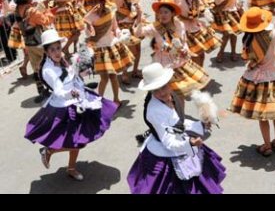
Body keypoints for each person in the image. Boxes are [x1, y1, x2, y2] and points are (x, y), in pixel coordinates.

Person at [25, 29, 117, 181]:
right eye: (52, 49)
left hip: (78, 100)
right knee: (77, 141)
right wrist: (72, 93)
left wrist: (82, 73)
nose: (56, 52)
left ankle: (71, 168)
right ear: (47, 52)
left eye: (58, 48)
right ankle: (49, 151)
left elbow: (72, 77)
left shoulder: (62, 61)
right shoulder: (48, 69)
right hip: (65, 108)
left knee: (79, 140)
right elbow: (60, 91)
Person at [127, 63, 226, 194]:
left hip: (179, 141)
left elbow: (179, 122)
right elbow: (168, 142)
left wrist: (200, 125)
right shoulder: (154, 111)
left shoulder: (172, 95)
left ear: (169, 82)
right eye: (156, 89)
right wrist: (189, 143)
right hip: (166, 151)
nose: (162, 92)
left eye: (163, 86)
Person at [230, 7, 275, 156]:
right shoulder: (271, 36)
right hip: (274, 76)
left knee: (262, 116)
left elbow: (247, 58)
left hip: (256, 79)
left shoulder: (247, 40)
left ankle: (267, 145)